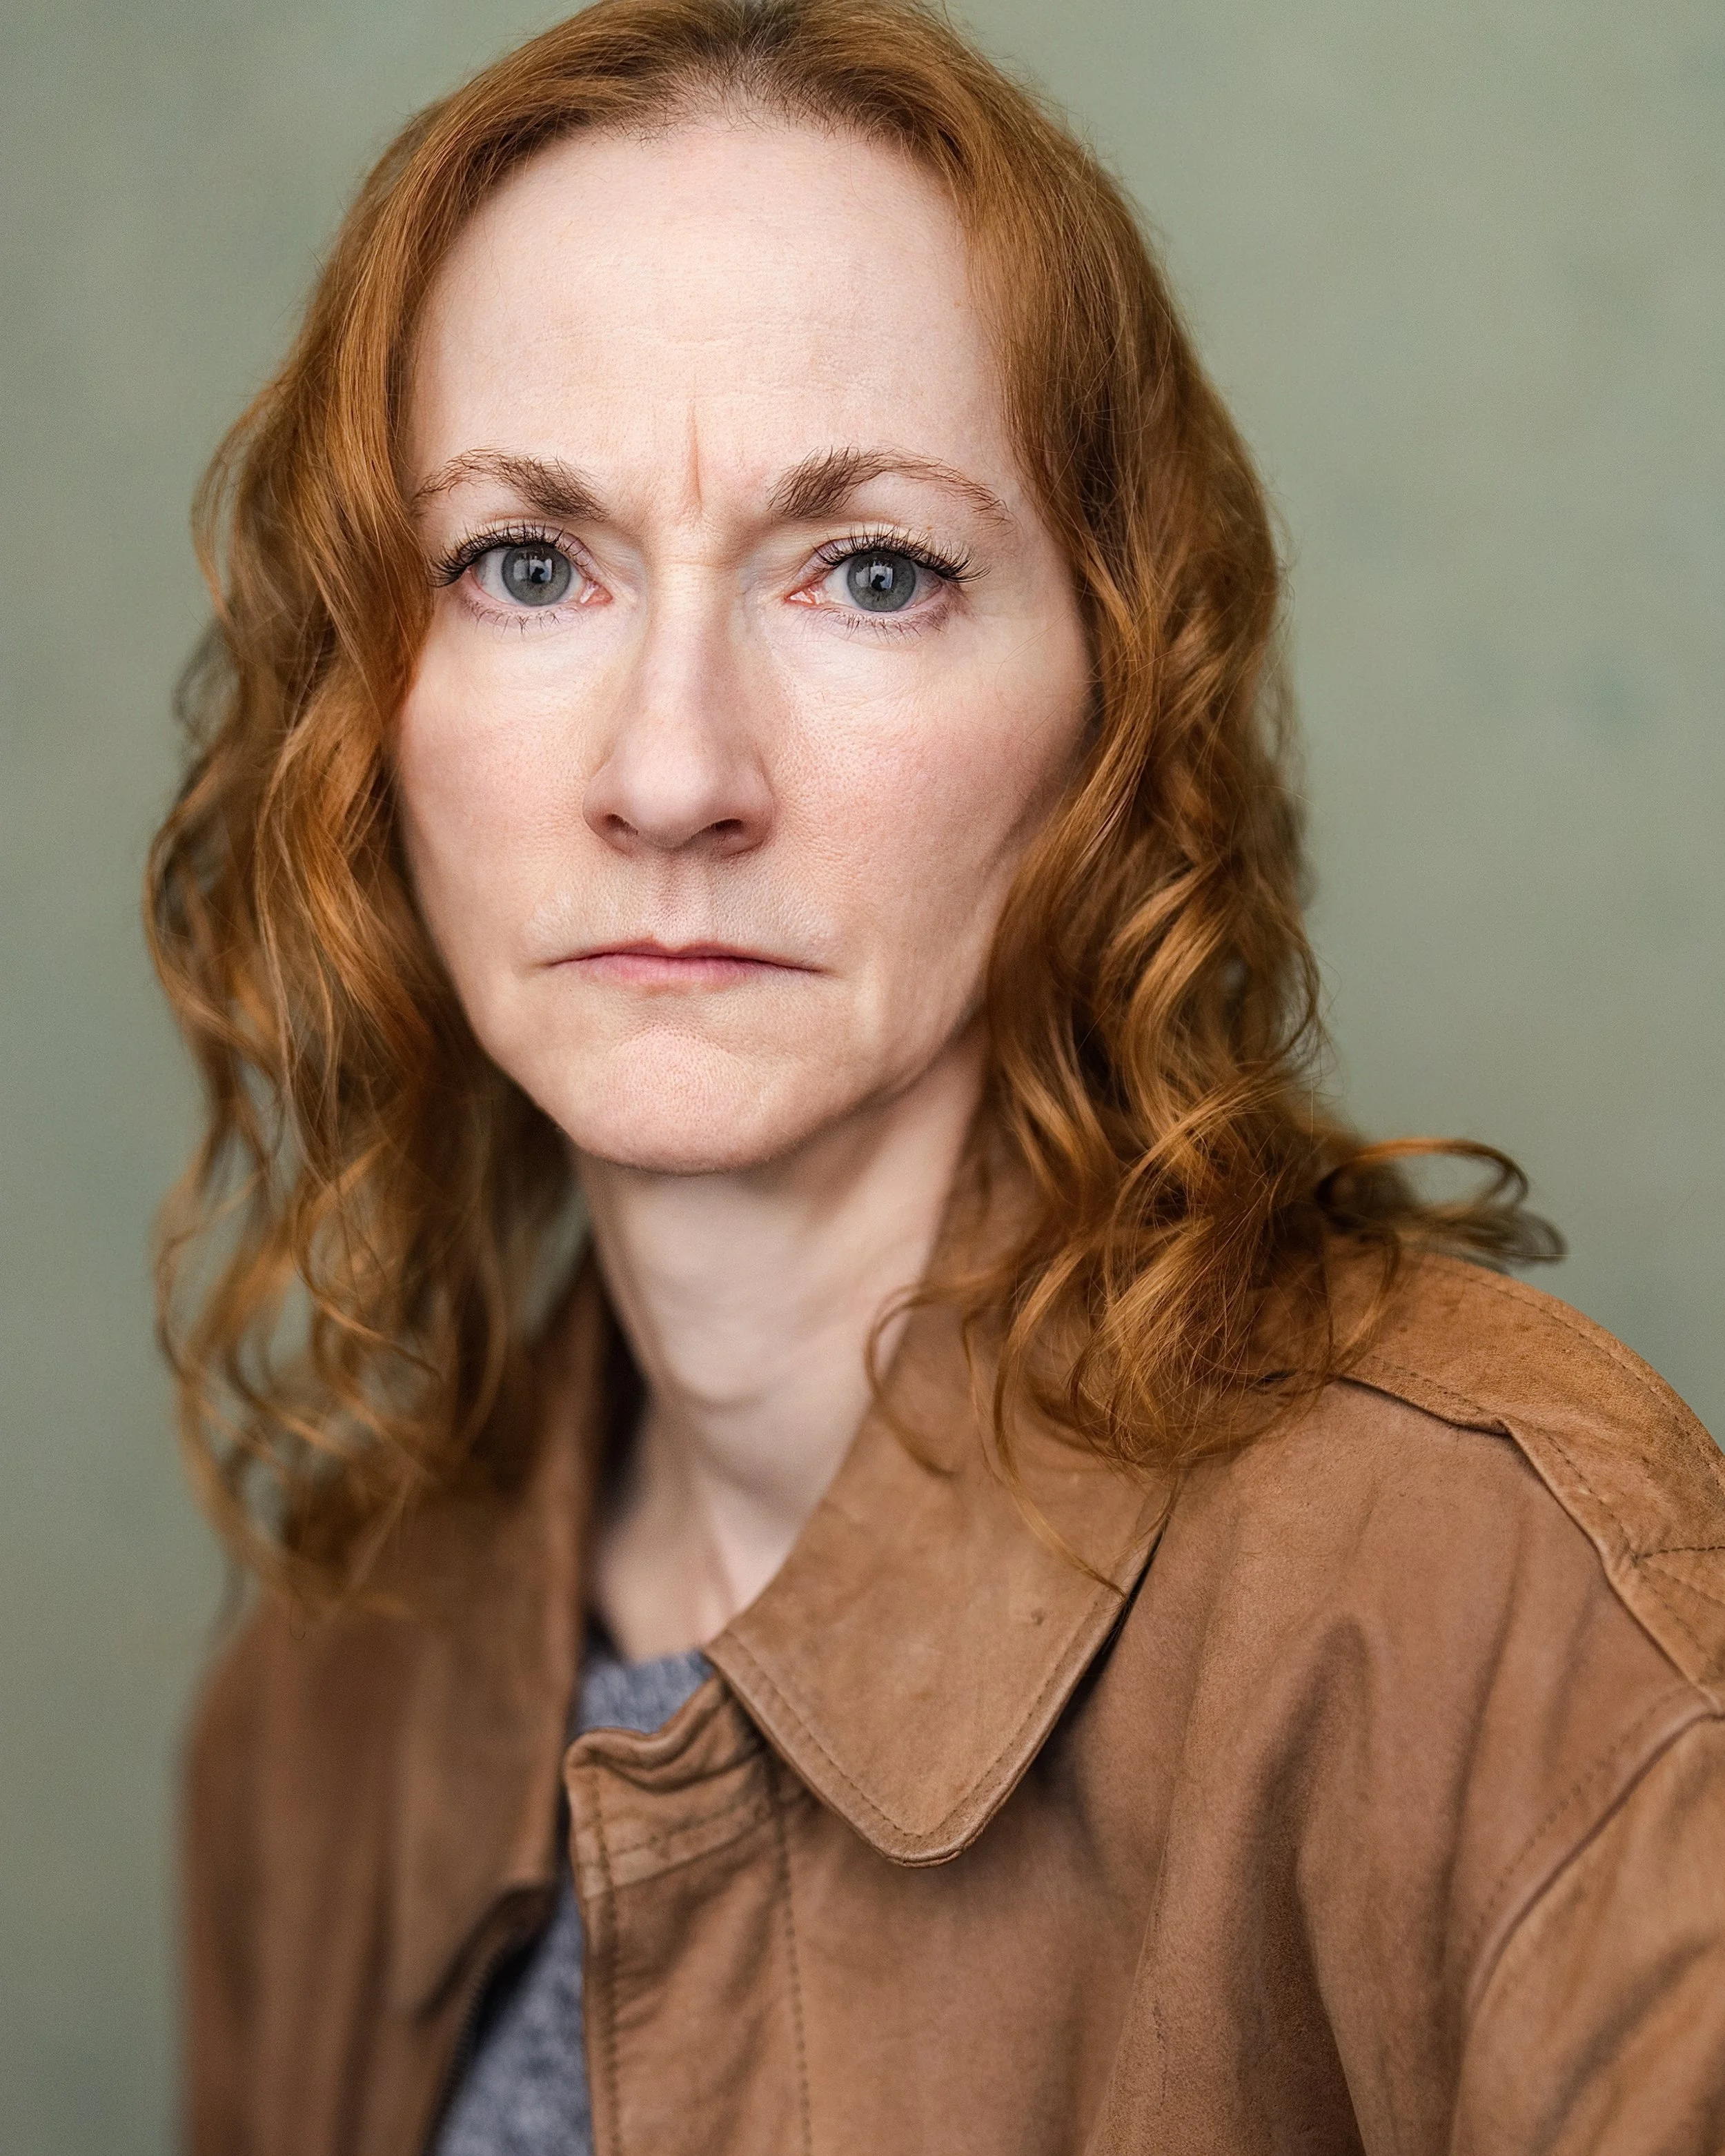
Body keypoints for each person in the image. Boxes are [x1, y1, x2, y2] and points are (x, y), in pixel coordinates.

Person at [147, 2, 1725, 2150]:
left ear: (1108, 697)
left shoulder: (1489, 1601)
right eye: (527, 563)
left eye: (870, 569)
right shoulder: (332, 1689)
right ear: (369, 699)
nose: (672, 772)